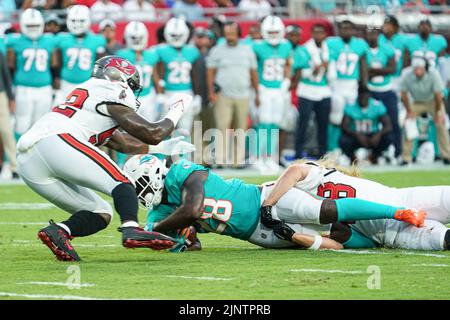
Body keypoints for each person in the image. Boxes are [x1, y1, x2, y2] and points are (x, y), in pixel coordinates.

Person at [16, 56, 195, 262]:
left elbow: (123, 143)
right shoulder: (110, 90)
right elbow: (152, 132)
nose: (132, 90)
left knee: (100, 211)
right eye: (132, 85)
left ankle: (59, 232)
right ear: (120, 78)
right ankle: (131, 229)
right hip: (57, 141)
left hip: (29, 161)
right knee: (121, 182)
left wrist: (161, 147)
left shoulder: (89, 94)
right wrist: (176, 110)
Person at [121, 154, 426, 252]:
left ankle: (398, 211)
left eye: (139, 185)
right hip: (256, 234)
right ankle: (378, 243)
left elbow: (193, 209)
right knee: (333, 237)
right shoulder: (161, 210)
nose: (140, 193)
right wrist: (182, 239)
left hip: (265, 199)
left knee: (324, 211)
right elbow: (184, 242)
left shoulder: (180, 173)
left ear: (153, 173)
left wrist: (163, 228)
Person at [258, 158, 450, 251]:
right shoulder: (307, 216)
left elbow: (295, 170)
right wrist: (295, 235)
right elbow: (349, 242)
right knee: (442, 239)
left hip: (402, 199)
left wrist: (267, 204)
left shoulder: (314, 177)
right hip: (390, 233)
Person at [206, 21, 259, 167]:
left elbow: (253, 72)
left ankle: (238, 160)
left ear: (238, 33)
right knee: (222, 126)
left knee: (241, 128)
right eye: (227, 33)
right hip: (223, 94)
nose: (229, 36)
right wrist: (211, 92)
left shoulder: (247, 50)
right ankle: (220, 160)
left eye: (232, 33)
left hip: (243, 94)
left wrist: (257, 92)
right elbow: (210, 72)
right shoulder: (217, 50)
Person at [6, 9, 56, 136]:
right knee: (21, 124)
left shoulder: (50, 40)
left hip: (45, 88)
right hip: (23, 89)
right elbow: (9, 67)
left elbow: (55, 65)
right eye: (30, 25)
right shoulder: (14, 41)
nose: (33, 28)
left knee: (41, 125)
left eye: (36, 25)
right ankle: (19, 154)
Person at [252, 16, 292, 172]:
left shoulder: (286, 45)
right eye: (271, 32)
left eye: (276, 31)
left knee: (274, 124)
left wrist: (286, 81)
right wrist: (257, 87)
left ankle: (271, 157)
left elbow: (289, 63)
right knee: (263, 123)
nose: (274, 34)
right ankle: (257, 157)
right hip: (264, 88)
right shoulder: (257, 46)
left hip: (279, 89)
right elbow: (253, 69)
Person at [291, 23, 334, 159]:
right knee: (303, 125)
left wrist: (326, 70)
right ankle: (298, 155)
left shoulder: (329, 49)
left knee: (323, 125)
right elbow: (299, 72)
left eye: (321, 32)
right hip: (307, 90)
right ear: (312, 34)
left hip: (324, 90)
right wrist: (312, 71)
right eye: (315, 32)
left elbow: (333, 73)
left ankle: (323, 156)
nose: (318, 35)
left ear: (325, 35)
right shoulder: (304, 50)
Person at [400, 53, 450, 165]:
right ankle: (406, 157)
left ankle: (447, 155)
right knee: (408, 123)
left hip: (433, 101)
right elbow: (403, 94)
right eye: (415, 69)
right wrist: (409, 111)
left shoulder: (434, 74)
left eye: (420, 69)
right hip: (417, 101)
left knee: (442, 123)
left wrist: (438, 112)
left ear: (425, 68)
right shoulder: (406, 74)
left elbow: (438, 95)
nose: (418, 72)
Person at [327, 20, 368, 150]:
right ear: (338, 30)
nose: (346, 31)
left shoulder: (360, 44)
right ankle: (332, 148)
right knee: (335, 118)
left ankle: (349, 149)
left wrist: (364, 85)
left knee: (351, 117)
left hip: (352, 84)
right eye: (343, 28)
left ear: (354, 31)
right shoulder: (331, 43)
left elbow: (363, 66)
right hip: (336, 83)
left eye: (349, 28)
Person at [155, 18, 200, 134]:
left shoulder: (192, 51)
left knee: (184, 130)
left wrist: (197, 95)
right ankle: (164, 153)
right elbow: (157, 73)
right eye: (174, 34)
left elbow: (195, 75)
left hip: (187, 93)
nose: (177, 37)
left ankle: (183, 153)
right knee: (164, 131)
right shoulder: (161, 50)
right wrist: (160, 93)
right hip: (168, 93)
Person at [53, 5, 106, 103]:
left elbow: (101, 66)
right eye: (74, 21)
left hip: (88, 84)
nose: (77, 24)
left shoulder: (97, 40)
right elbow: (57, 63)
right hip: (66, 83)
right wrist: (56, 78)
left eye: (81, 21)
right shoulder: (62, 38)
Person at [365, 27, 400, 159]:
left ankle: (398, 152)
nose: (371, 36)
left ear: (378, 35)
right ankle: (373, 153)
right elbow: (363, 70)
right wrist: (378, 70)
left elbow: (392, 68)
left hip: (386, 89)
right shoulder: (364, 50)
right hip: (370, 91)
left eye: (374, 33)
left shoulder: (387, 49)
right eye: (369, 33)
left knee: (393, 121)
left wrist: (374, 71)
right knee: (369, 123)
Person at [117, 21, 160, 122]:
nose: (137, 41)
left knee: (150, 127)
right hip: (129, 97)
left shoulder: (151, 55)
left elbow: (155, 76)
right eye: (133, 38)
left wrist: (159, 94)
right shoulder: (122, 54)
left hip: (148, 96)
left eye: (140, 38)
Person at [339, 87, 392, 163]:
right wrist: (356, 135)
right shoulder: (351, 106)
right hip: (356, 135)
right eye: (361, 96)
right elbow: (344, 126)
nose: (363, 99)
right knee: (343, 140)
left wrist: (378, 134)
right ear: (358, 96)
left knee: (388, 138)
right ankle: (352, 158)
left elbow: (388, 125)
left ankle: (375, 156)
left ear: (369, 96)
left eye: (365, 96)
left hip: (372, 135)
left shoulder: (377, 105)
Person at [0, 51, 17, 178]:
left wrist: (10, 97)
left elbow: (5, 74)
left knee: (6, 131)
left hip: (0, 94)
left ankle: (14, 166)